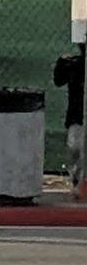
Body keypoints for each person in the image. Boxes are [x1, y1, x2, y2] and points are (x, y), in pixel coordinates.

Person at [54, 46, 85, 194]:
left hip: (77, 115)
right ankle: (76, 177)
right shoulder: (75, 65)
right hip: (77, 116)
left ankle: (80, 181)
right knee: (75, 147)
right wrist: (61, 64)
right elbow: (59, 80)